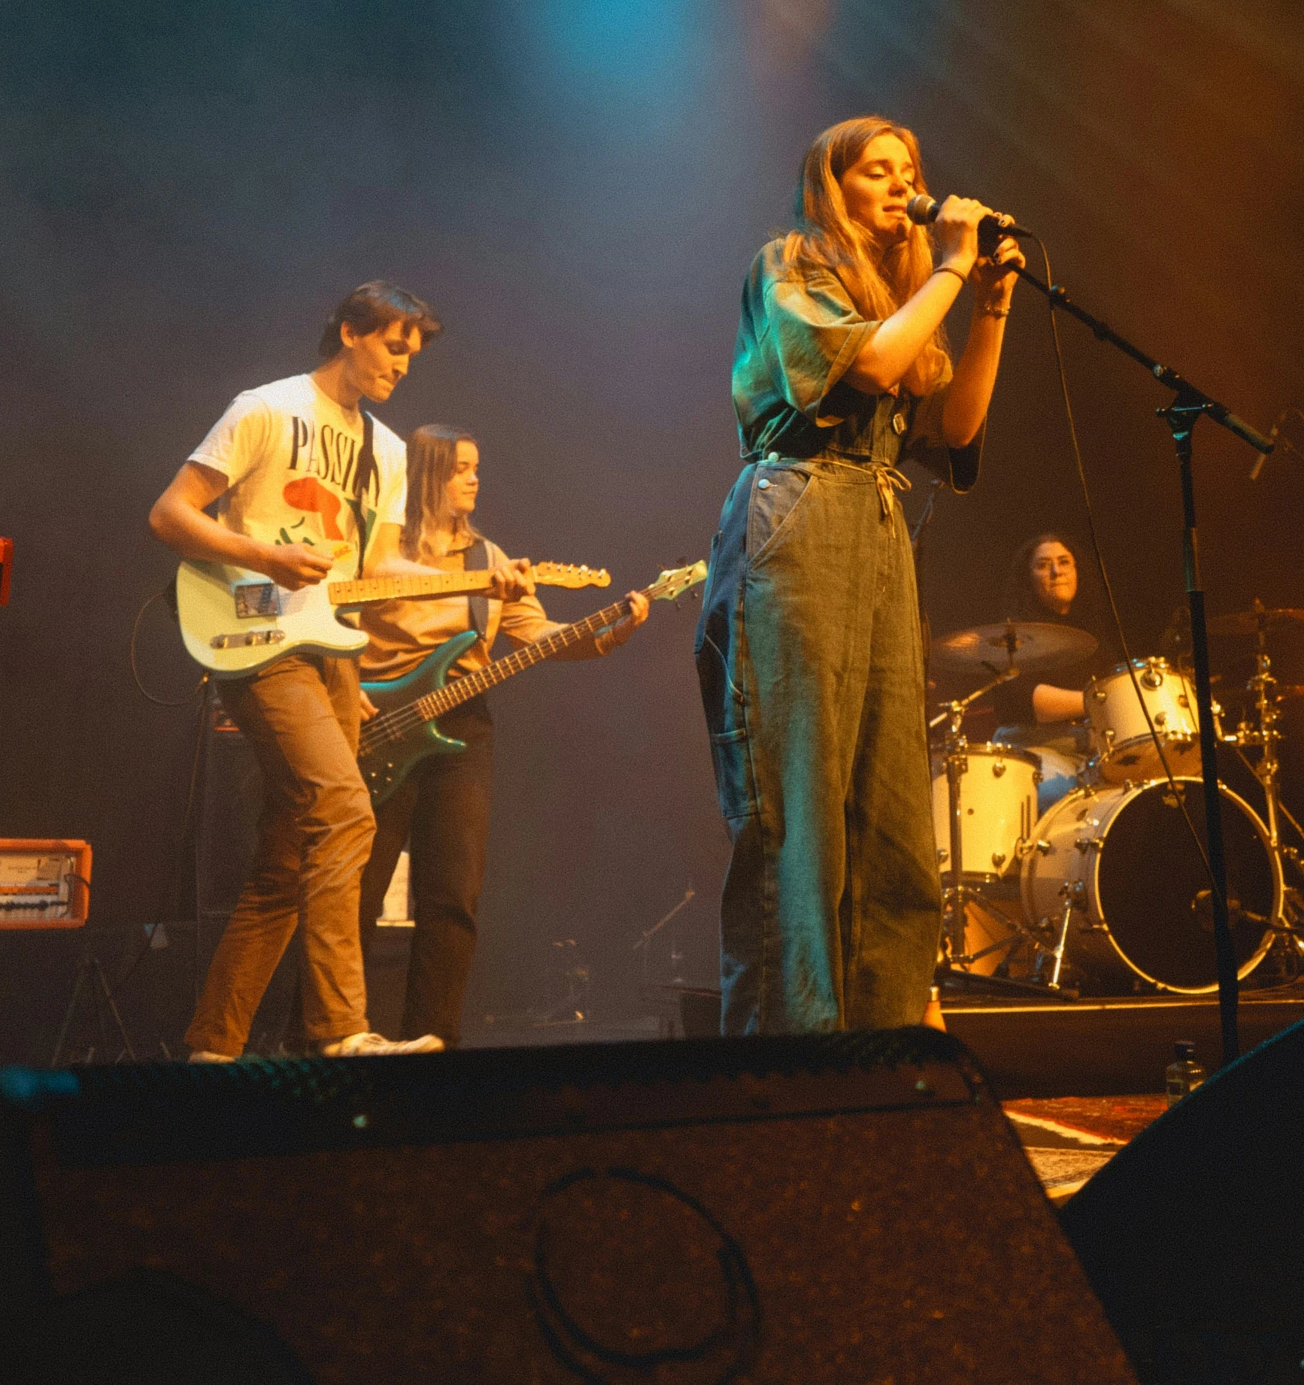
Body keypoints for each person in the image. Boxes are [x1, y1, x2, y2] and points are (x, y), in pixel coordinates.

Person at [695, 116, 1023, 1034]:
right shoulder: (788, 263)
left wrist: (987, 301)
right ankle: (783, 1064)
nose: (899, 183)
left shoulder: (905, 291)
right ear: (831, 185)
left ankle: (884, 1061)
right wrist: (956, 268)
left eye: (908, 169)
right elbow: (873, 363)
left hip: (876, 527)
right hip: (796, 511)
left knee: (891, 826)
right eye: (875, 170)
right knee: (798, 815)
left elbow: (953, 429)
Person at [149, 281, 519, 1061]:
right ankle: (339, 1030)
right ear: (349, 332)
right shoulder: (266, 408)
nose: (402, 367)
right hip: (260, 643)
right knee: (348, 810)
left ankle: (211, 1047)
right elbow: (170, 514)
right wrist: (266, 555)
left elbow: (374, 565)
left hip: (334, 652)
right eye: (392, 346)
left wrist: (469, 580)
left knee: (285, 862)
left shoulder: (386, 449)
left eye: (411, 355)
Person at [351, 424, 649, 1048]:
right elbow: (332, 616)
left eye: (477, 466)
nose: (474, 477)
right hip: (377, 724)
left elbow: (536, 636)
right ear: (428, 473)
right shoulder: (373, 546)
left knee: (453, 892)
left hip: (462, 729)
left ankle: (433, 1042)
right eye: (461, 467)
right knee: (355, 892)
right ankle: (327, 1036)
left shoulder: (491, 558)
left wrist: (610, 631)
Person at [987, 531, 1100, 734]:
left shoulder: (1096, 631)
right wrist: (1101, 702)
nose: (1056, 571)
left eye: (1064, 562)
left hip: (1093, 744)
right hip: (1038, 745)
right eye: (1043, 565)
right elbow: (1024, 700)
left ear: (1077, 571)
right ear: (1028, 578)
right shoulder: (1015, 635)